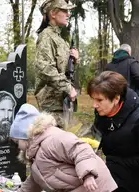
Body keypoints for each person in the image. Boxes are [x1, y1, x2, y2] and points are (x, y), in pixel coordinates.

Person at [34, 0, 79, 128]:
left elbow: (63, 70)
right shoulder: (46, 36)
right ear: (53, 13)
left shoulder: (60, 39)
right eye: (64, 10)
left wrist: (74, 60)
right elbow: (45, 68)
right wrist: (68, 88)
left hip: (62, 103)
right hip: (51, 105)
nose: (68, 14)